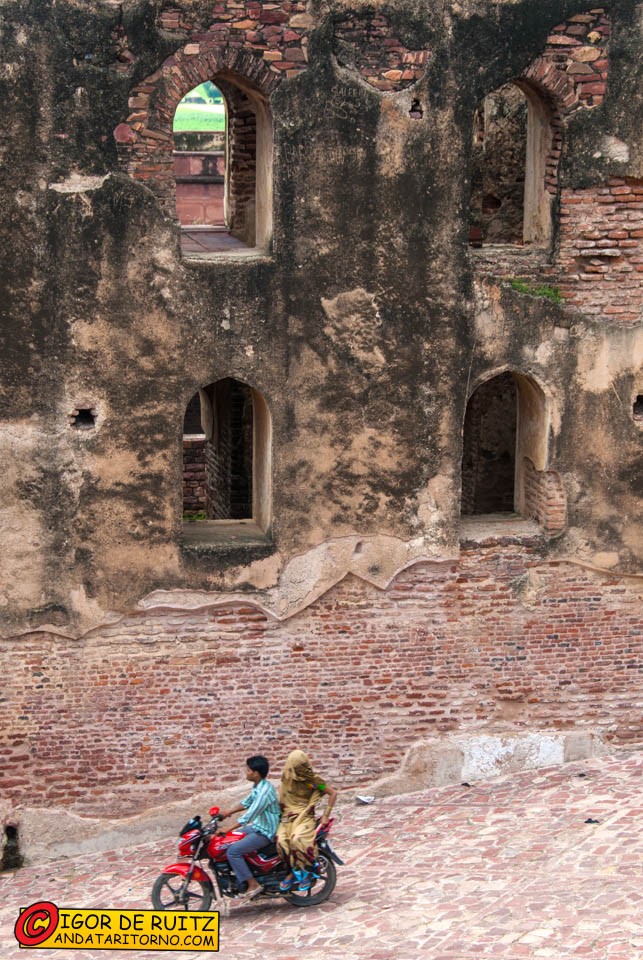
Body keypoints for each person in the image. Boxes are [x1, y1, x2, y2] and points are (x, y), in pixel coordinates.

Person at [219, 755, 281, 901]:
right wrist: (228, 812)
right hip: (259, 826)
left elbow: (250, 814)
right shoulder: (258, 786)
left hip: (266, 831)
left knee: (233, 851)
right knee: (232, 837)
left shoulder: (265, 792)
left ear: (256, 773)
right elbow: (247, 802)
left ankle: (253, 884)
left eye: (248, 770)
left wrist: (227, 828)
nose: (246, 772)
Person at [276, 749, 337, 892]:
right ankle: (291, 872)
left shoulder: (311, 781)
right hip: (286, 818)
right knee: (281, 842)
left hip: (303, 817)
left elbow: (332, 793)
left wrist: (326, 815)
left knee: (297, 839)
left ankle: (308, 872)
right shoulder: (287, 778)